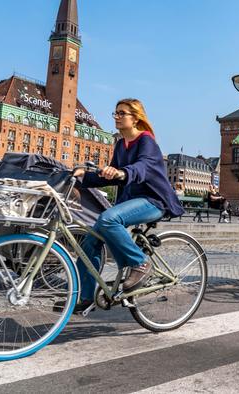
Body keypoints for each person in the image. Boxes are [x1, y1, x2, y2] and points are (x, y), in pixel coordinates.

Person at [69, 98, 184, 313]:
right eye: (116, 113)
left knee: (109, 218)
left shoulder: (146, 141)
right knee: (89, 244)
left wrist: (124, 172)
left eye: (122, 113)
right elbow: (109, 175)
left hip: (153, 200)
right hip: (130, 201)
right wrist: (86, 177)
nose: (117, 117)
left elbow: (143, 168)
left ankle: (140, 263)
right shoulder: (121, 144)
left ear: (136, 117)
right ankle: (86, 298)